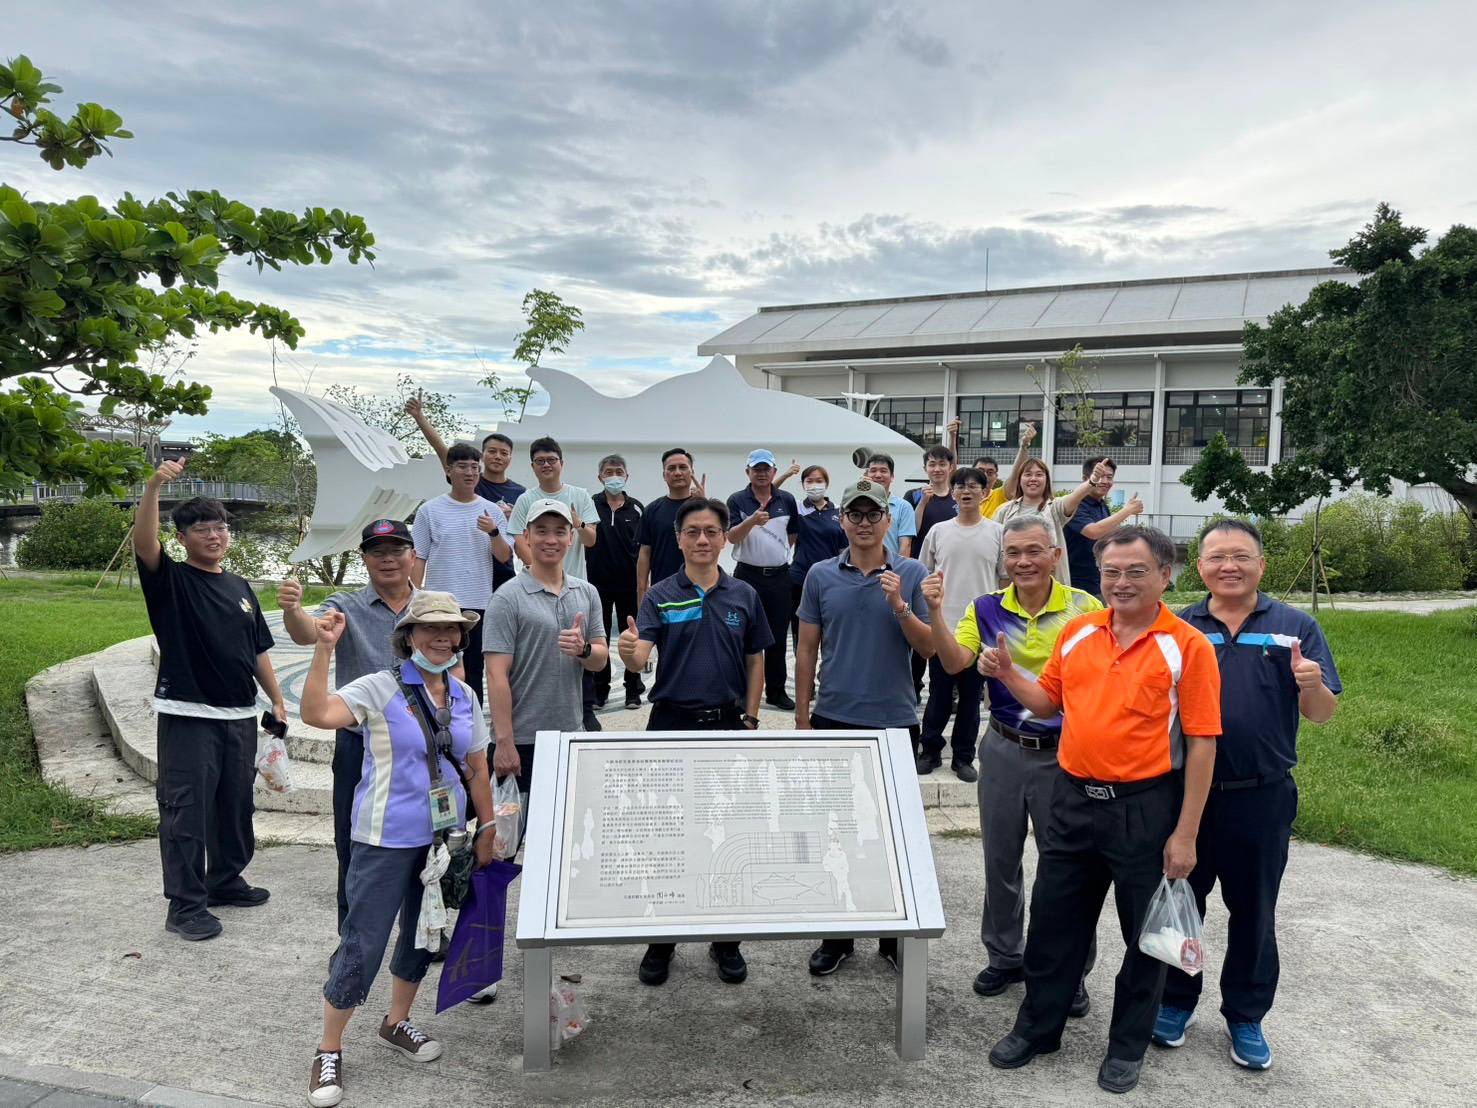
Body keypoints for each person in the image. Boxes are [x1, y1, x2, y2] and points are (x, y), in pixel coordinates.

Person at [982, 525, 1221, 1094]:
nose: (1121, 582)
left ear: (1165, 575)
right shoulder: (1079, 632)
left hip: (1144, 807)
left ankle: (1126, 1047)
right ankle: (1038, 1028)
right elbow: (1048, 702)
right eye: (1111, 572)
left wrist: (1186, 834)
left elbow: (1203, 743)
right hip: (1071, 799)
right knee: (1053, 923)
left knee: (1145, 937)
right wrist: (1008, 672)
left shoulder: (1186, 646)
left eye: (1136, 571)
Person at [1153, 519, 1341, 1070]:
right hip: (1184, 795)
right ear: (1199, 567)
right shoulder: (1179, 626)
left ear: (1262, 564)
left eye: (1240, 556)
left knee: (1254, 910)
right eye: (1216, 557)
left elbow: (1322, 714)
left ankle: (1246, 1015)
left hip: (1261, 796)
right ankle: (1176, 1000)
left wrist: (1312, 684)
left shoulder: (1294, 627)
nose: (1228, 566)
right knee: (1180, 901)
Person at [300, 592, 496, 1108]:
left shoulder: (463, 694)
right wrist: (324, 649)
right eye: (431, 628)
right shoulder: (379, 686)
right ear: (409, 636)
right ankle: (328, 1048)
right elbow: (316, 713)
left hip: (442, 840)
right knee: (362, 942)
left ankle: (397, 1022)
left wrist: (488, 827)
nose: (443, 638)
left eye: (452, 630)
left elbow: (476, 766)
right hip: (384, 837)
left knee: (423, 933)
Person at [926, 515, 1104, 1017]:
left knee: (1066, 868)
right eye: (1013, 553)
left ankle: (1069, 970)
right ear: (1003, 559)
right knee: (1000, 861)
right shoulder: (985, 608)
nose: (1023, 562)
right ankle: (1005, 956)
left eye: (1034, 551)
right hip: (1004, 748)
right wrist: (935, 611)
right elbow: (953, 662)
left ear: (1054, 555)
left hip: (1065, 753)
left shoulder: (1085, 609)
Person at [618, 497, 771, 987]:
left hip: (726, 726)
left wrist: (750, 719)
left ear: (724, 538)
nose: (702, 539)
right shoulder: (661, 594)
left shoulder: (744, 594)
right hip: (670, 726)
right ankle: (661, 939)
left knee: (727, 835)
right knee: (666, 837)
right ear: (679, 539)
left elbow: (755, 659)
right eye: (692, 532)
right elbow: (640, 656)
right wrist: (629, 652)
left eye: (711, 531)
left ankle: (726, 939)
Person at [133, 457, 285, 942]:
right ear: (182, 538)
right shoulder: (171, 580)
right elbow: (144, 542)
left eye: (220, 527)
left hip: (240, 714)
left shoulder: (239, 587)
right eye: (202, 529)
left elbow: (257, 648)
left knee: (235, 807)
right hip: (188, 713)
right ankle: (185, 905)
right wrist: (154, 487)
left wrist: (276, 699)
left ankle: (224, 880)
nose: (214, 535)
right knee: (186, 810)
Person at [796, 478, 939, 976]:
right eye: (854, 514)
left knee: (893, 835)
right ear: (841, 520)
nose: (863, 523)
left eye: (872, 514)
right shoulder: (820, 574)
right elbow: (806, 648)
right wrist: (802, 719)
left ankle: (892, 936)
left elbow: (928, 648)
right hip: (834, 717)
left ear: (887, 520)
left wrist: (900, 603)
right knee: (836, 832)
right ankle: (837, 935)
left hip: (894, 720)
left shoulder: (911, 572)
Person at [279, 518, 416, 932]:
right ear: (364, 559)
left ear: (412, 556)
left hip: (419, 745)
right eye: (377, 552)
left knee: (424, 837)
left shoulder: (432, 606)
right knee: (352, 837)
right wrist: (293, 611)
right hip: (361, 742)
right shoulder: (346, 606)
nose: (388, 559)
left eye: (396, 550)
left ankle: (423, 929)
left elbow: (455, 670)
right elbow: (309, 632)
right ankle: (352, 934)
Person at [484, 499, 608, 809]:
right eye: (541, 531)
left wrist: (583, 650)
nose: (551, 540)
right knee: (515, 832)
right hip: (522, 740)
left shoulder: (587, 592)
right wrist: (504, 741)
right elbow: (496, 674)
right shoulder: (507, 597)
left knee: (566, 825)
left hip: (571, 734)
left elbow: (600, 660)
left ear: (571, 538)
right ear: (526, 536)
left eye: (559, 531)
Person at [915, 467, 1005, 781]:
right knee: (939, 692)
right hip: (945, 626)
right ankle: (929, 750)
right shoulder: (938, 531)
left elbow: (1004, 580)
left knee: (971, 695)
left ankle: (963, 757)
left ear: (985, 492)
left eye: (972, 486)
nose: (966, 491)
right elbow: (924, 574)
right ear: (952, 492)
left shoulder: (997, 532)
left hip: (982, 628)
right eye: (960, 486)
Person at [409, 442, 512, 705]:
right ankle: (434, 716)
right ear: (448, 470)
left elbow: (504, 556)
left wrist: (493, 532)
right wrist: (413, 597)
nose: (470, 473)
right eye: (463, 467)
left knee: (474, 667)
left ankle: (470, 720)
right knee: (434, 661)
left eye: (475, 467)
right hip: (438, 603)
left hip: (479, 602)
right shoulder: (429, 510)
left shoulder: (492, 510)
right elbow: (419, 557)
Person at [403, 398, 526, 594]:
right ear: (482, 455)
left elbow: (523, 538)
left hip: (501, 570)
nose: (498, 456)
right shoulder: (469, 480)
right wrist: (419, 417)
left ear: (511, 458)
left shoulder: (520, 493)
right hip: (460, 572)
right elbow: (443, 450)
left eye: (504, 453)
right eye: (492, 451)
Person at [727, 448, 800, 710]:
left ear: (774, 472)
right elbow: (731, 536)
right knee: (743, 634)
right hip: (747, 576)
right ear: (748, 472)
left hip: (779, 576)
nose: (761, 473)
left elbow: (792, 535)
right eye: (756, 469)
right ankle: (742, 691)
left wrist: (775, 554)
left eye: (766, 469)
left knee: (778, 636)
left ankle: (776, 691)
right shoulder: (737, 500)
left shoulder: (786, 499)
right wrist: (751, 522)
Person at [990, 457, 1113, 588]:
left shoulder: (1055, 508)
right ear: (1019, 479)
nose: (1033, 479)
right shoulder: (1004, 511)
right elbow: (993, 548)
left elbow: (1075, 496)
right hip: (1010, 582)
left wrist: (1092, 480)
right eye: (1028, 474)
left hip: (1050, 584)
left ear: (1046, 480)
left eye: (1039, 475)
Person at [587, 454, 646, 710]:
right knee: (599, 637)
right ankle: (600, 689)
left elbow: (645, 549)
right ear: (600, 477)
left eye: (619, 472)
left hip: (629, 585)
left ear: (626, 476)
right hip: (596, 585)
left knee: (631, 636)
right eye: (609, 472)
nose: (614, 476)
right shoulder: (590, 505)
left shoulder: (637, 508)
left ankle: (633, 688)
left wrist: (645, 584)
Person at [506, 437, 599, 580]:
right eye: (540, 461)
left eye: (551, 460)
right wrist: (544, 576)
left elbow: (590, 541)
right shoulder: (525, 499)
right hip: (536, 583)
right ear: (532, 466)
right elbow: (520, 543)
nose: (546, 465)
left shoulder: (581, 495)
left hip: (574, 582)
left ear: (561, 463)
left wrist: (578, 524)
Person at [1063, 457, 1144, 600]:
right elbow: (1093, 531)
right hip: (1074, 585)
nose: (1105, 481)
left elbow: (1108, 536)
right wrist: (1127, 510)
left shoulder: (1102, 505)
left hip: (1098, 582)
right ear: (1086, 479)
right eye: (1100, 476)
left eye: (1109, 477)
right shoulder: (1075, 504)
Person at [637, 448, 706, 602]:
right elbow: (645, 553)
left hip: (699, 590)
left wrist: (703, 504)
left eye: (683, 467)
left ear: (692, 472)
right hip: (662, 591)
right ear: (664, 475)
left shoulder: (703, 506)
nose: (678, 473)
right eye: (672, 468)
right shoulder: (652, 510)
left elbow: (715, 540)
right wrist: (641, 592)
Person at [790, 465, 847, 647]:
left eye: (819, 481)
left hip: (831, 579)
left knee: (832, 633)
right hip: (801, 579)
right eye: (809, 481)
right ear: (803, 484)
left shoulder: (838, 511)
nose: (814, 485)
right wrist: (787, 474)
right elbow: (770, 496)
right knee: (803, 635)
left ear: (826, 484)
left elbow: (844, 549)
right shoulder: (797, 508)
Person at [862, 453, 917, 559]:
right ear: (866, 475)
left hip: (890, 567)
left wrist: (899, 568)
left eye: (883, 471)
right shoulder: (856, 504)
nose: (878, 475)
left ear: (892, 477)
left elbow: (905, 545)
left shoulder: (904, 507)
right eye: (873, 470)